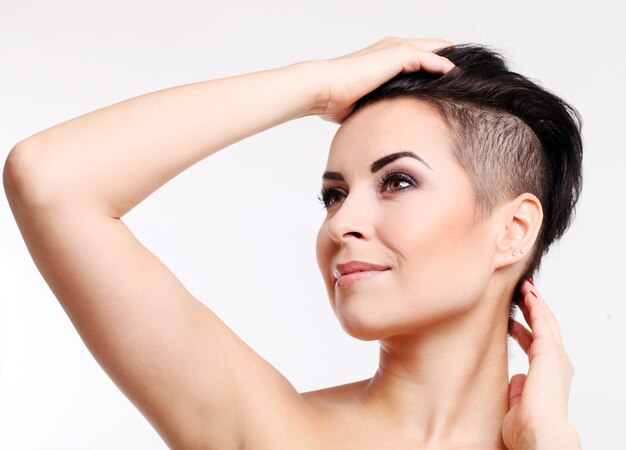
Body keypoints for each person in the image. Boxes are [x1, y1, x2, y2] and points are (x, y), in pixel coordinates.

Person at [3, 37, 583, 449]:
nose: (341, 223)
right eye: (333, 194)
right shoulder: (272, 434)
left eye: (397, 181)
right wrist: (316, 85)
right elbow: (51, 180)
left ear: (513, 230)